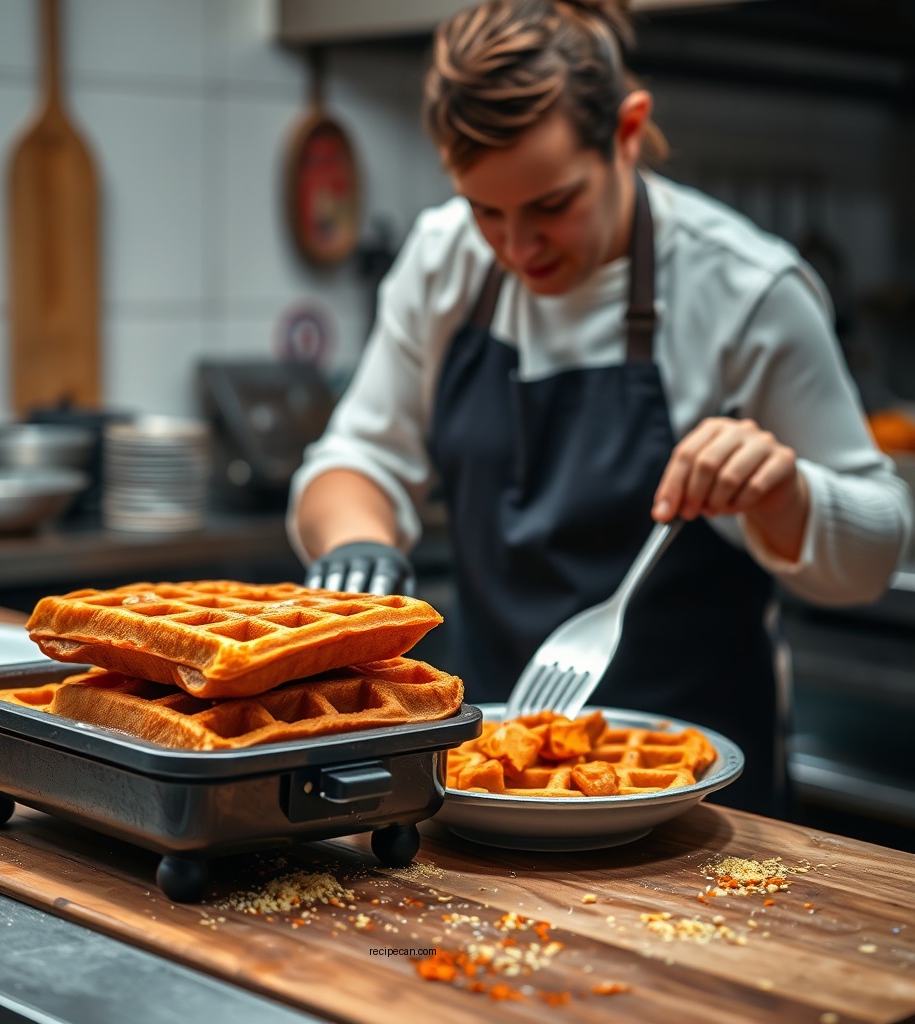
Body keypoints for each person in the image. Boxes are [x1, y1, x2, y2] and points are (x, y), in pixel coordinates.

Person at [286, 0, 914, 819]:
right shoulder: (445, 260)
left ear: (627, 132)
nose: (518, 248)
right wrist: (357, 546)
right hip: (487, 777)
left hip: (700, 801)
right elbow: (358, 460)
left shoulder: (746, 290)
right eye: (486, 211)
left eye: (552, 205)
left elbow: (878, 543)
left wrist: (784, 493)